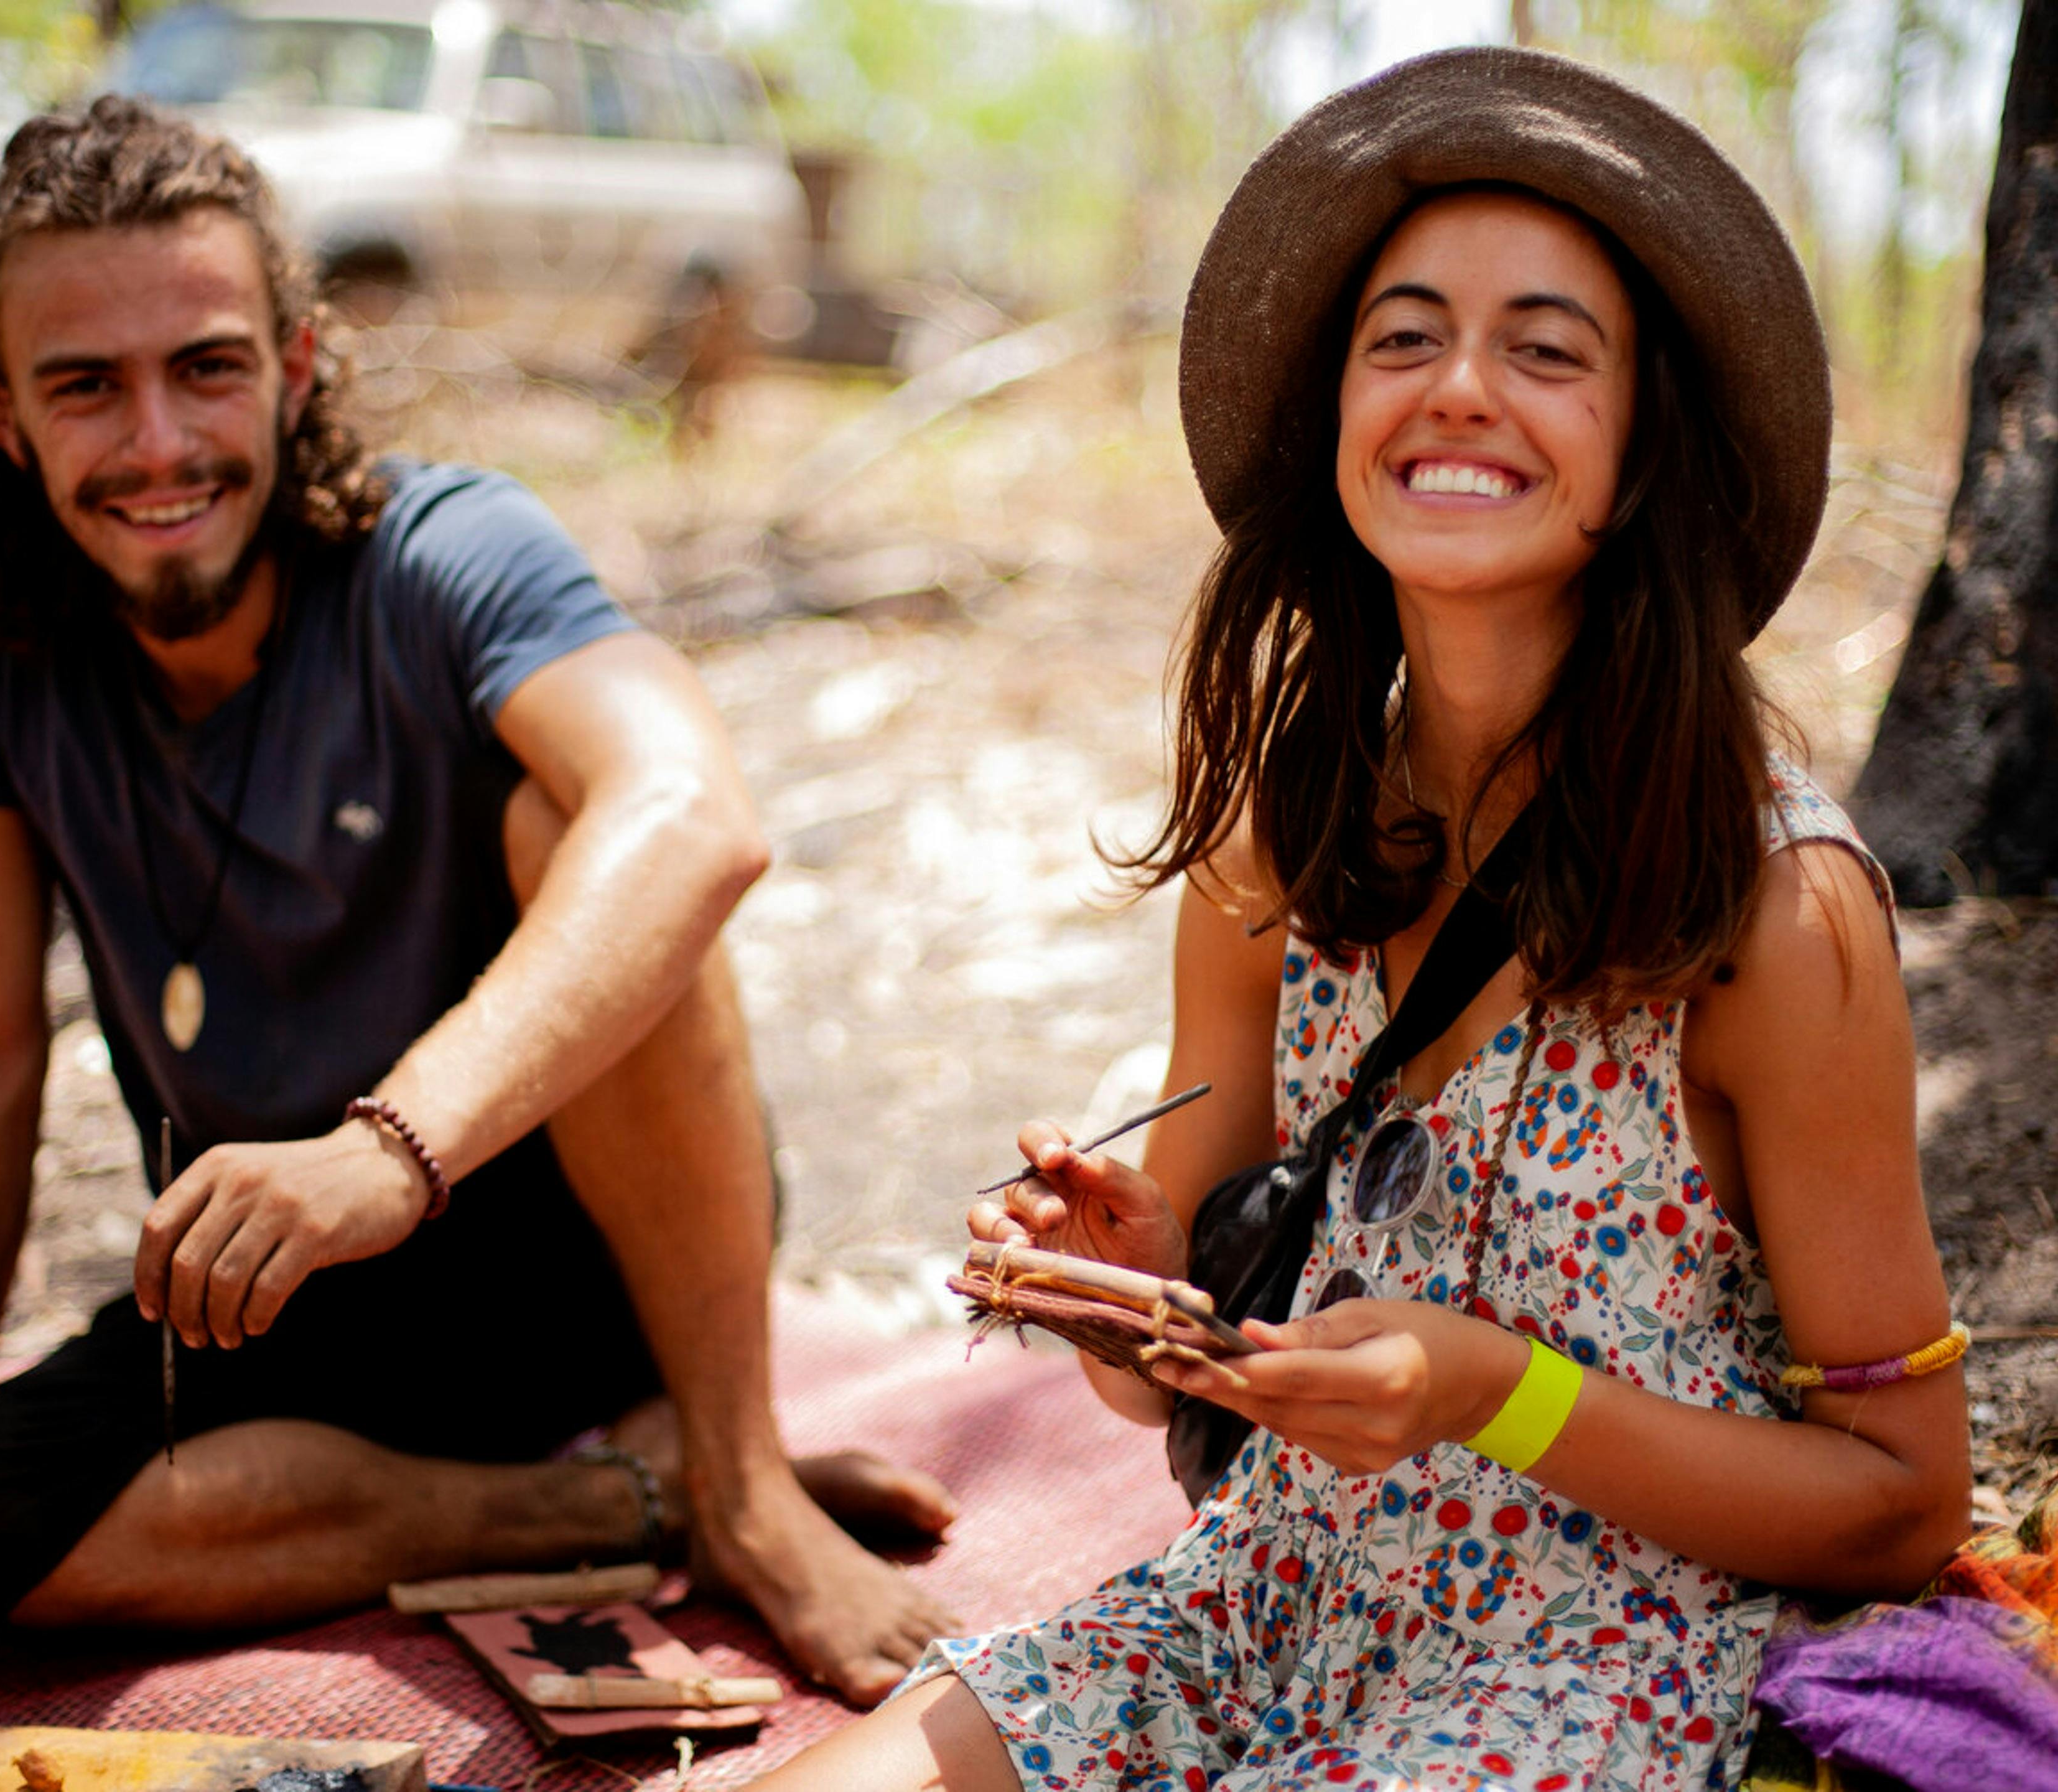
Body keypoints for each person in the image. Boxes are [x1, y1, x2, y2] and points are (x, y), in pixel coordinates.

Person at [748, 47, 1973, 1790]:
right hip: (1257, 1600)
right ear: (1338, 420)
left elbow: (1905, 1502)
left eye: (1548, 352)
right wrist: (1132, 1296)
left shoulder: (1773, 912)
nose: (1461, 389)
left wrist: (1501, 1394)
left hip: (1587, 1671)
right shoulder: (1278, 841)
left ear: (1638, 460)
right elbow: (1190, 1392)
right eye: (1404, 339)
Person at [0, 95, 956, 1705]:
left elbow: (693, 814)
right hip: (294, 1278)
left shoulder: (445, 555)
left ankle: (747, 1482)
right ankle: (632, 1500)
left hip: (590, 1242)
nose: (158, 443)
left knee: (570, 820)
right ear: (1, 416)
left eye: (207, 366)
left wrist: (391, 1150)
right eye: (88, 386)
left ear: (295, 371)